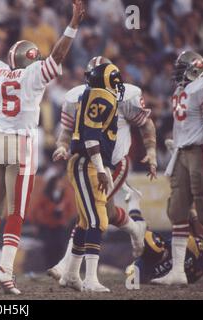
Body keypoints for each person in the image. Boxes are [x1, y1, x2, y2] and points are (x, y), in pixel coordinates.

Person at [0, 0, 85, 295]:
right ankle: (5, 271)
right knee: (16, 212)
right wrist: (72, 25)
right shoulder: (33, 75)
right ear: (31, 59)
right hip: (21, 144)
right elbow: (59, 53)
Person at [48, 56, 157, 282]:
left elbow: (145, 123)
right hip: (89, 163)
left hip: (115, 163)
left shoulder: (127, 96)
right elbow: (66, 132)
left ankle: (66, 267)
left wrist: (152, 150)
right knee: (101, 213)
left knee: (90, 215)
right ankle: (135, 230)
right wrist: (61, 147)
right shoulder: (76, 97)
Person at [62, 62, 125, 292]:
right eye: (116, 81)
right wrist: (100, 167)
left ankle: (70, 275)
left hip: (90, 162)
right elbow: (90, 137)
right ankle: (90, 279)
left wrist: (103, 165)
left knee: (85, 221)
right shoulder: (101, 96)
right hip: (87, 162)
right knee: (98, 220)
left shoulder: (92, 94)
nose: (118, 85)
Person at [153, 51, 203, 285]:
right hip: (182, 151)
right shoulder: (179, 91)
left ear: (195, 69)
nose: (177, 72)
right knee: (177, 210)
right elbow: (182, 125)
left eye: (182, 67)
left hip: (199, 151)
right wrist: (175, 146)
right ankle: (177, 271)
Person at [126, 209, 203, 284]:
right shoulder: (186, 243)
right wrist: (194, 218)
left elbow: (130, 275)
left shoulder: (138, 269)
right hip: (198, 269)